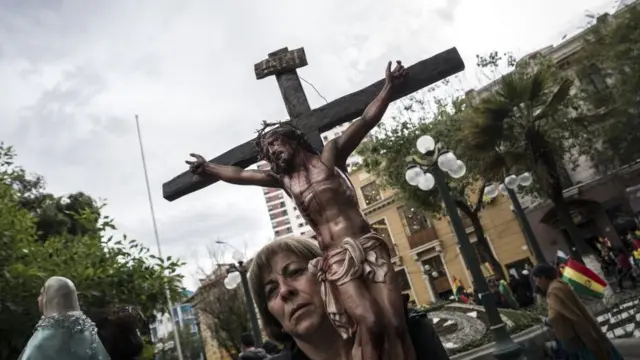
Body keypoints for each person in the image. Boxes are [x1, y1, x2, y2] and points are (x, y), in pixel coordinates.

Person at [187, 61, 412, 360]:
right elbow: (240, 175)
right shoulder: (284, 180)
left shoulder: (329, 156)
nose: (273, 153)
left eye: (275, 144)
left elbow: (365, 120)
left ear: (291, 140)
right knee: (368, 322)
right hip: (336, 258)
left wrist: (389, 88)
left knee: (396, 323)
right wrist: (209, 168)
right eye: (267, 152)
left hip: (367, 245)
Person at [248, 236, 450, 360]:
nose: (284, 291)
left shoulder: (407, 332)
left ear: (334, 276)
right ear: (275, 321)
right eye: (271, 291)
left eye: (295, 272)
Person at [531, 264, 623, 360]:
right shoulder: (560, 283)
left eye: (536, 279)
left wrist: (546, 321)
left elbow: (554, 317)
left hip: (577, 336)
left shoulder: (552, 292)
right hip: (587, 329)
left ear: (543, 277)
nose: (537, 283)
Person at [19, 276, 110, 360]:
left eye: (42, 294)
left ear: (52, 298)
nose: (38, 299)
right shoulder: (88, 333)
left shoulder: (44, 338)